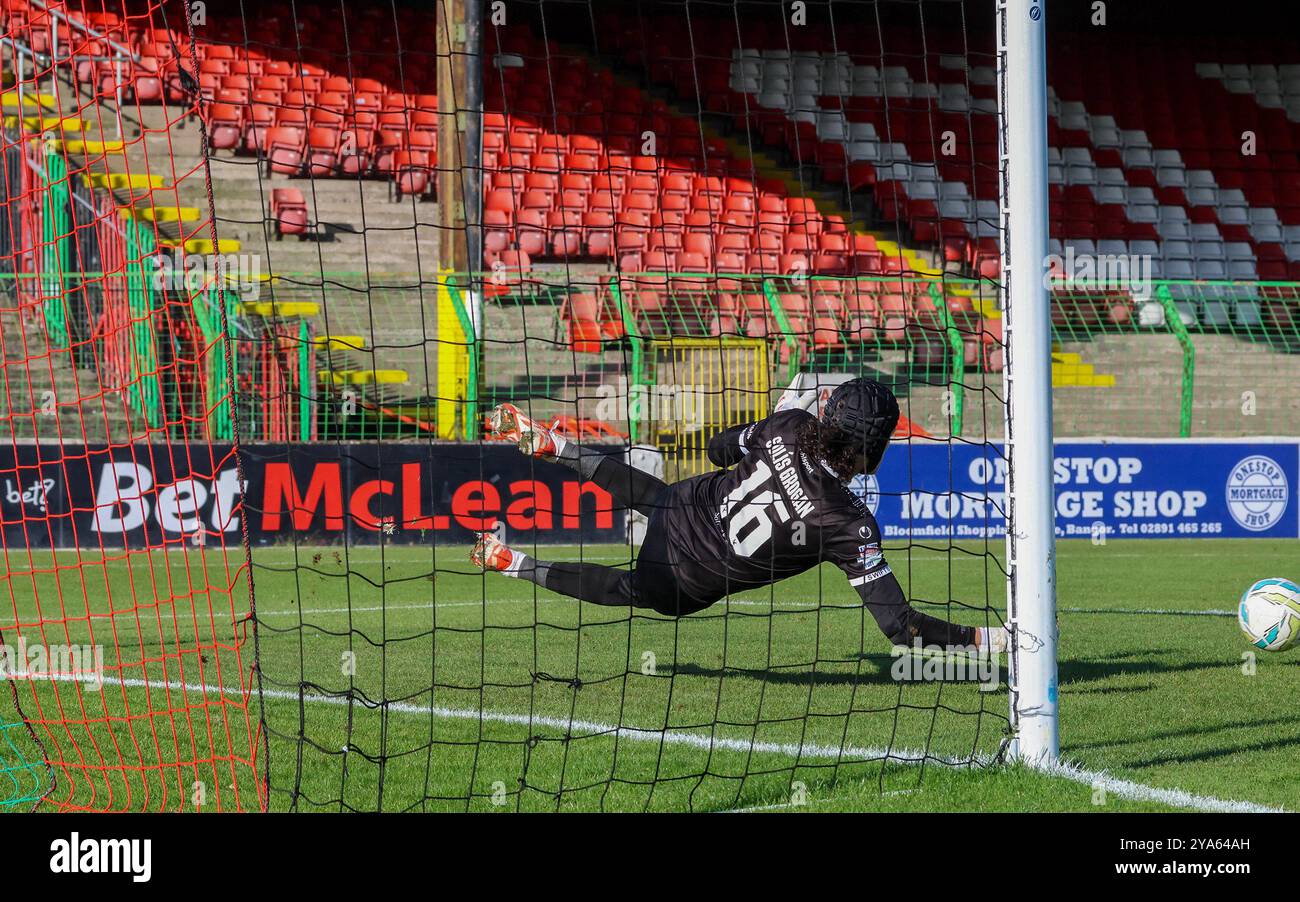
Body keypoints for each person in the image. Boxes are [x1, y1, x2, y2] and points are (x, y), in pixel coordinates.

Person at [471, 378, 1008, 653]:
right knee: (625, 590)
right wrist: (989, 639)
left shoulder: (792, 425)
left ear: (828, 409)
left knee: (654, 498)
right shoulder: (851, 524)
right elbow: (901, 628)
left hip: (685, 504)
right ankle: (509, 560)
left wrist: (763, 440)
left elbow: (715, 449)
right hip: (686, 580)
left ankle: (557, 446)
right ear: (877, 448)